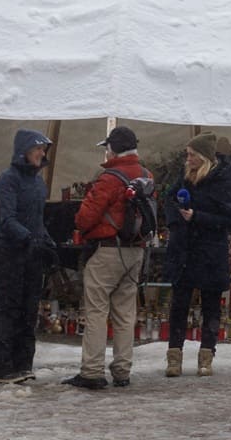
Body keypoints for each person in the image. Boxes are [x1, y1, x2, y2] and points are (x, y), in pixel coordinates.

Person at [63, 127, 152, 389]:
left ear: (112, 148)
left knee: (96, 311)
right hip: (136, 251)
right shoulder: (147, 176)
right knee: (125, 313)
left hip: (107, 251)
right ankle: (122, 371)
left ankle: (92, 371)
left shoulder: (109, 178)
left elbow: (85, 217)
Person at [163, 132, 231, 377]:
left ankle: (206, 355)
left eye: (192, 155)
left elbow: (228, 218)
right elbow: (169, 199)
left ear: (204, 157)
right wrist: (177, 222)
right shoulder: (185, 177)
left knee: (211, 305)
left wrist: (197, 217)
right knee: (179, 305)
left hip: (209, 250)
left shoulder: (223, 180)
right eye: (187, 154)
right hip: (185, 248)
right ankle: (174, 356)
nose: (188, 159)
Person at [0, 129, 55, 384]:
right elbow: (7, 219)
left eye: (43, 150)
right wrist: (28, 238)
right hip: (11, 251)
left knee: (29, 309)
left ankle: (23, 363)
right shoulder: (8, 179)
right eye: (38, 148)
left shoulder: (38, 182)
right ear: (24, 150)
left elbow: (37, 220)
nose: (41, 153)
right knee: (11, 308)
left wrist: (47, 241)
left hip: (32, 252)